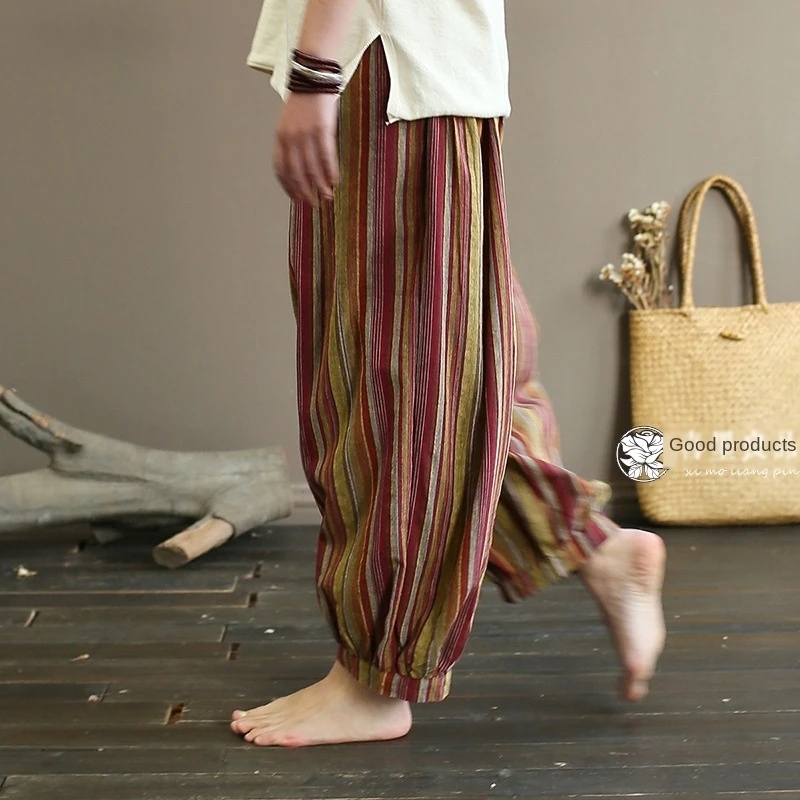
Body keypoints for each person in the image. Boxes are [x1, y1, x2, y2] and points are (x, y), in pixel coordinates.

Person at [230, 0, 667, 748]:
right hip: (421, 66)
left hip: (383, 61)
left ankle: (378, 682)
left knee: (393, 381)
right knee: (442, 358)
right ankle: (583, 541)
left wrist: (315, 70)